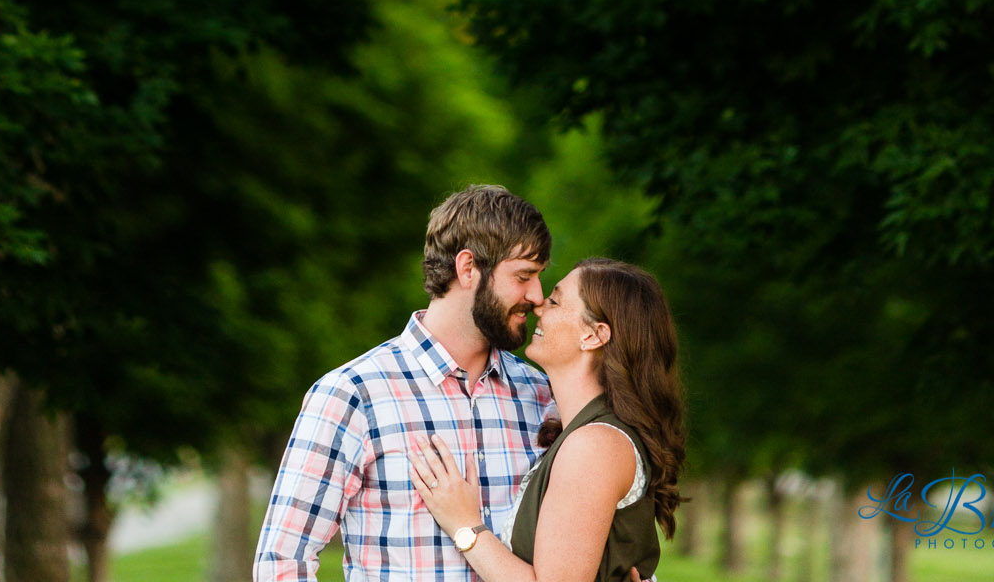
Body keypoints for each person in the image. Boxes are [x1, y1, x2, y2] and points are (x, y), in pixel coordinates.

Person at [254, 185, 555, 582]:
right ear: (468, 269)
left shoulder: (541, 395)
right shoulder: (353, 394)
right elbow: (282, 561)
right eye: (524, 276)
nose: (537, 296)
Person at [406, 259, 686, 582]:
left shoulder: (593, 446)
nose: (539, 305)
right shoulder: (584, 433)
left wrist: (464, 525)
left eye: (555, 300)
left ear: (594, 335)